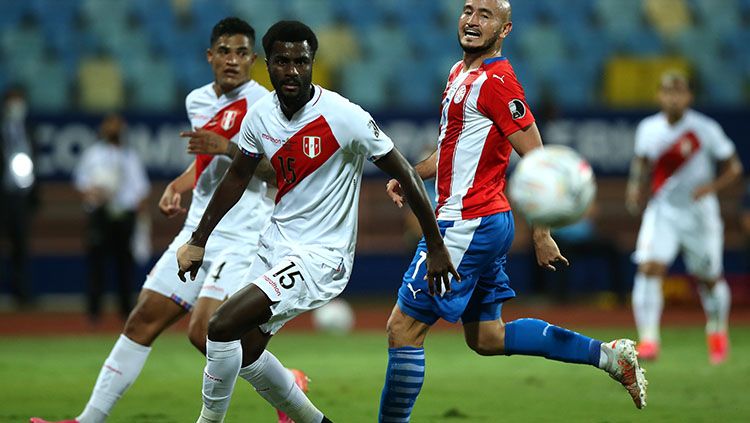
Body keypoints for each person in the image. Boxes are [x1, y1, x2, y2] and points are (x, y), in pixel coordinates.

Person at [175, 20, 457, 423]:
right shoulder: (260, 117)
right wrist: (198, 239)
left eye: (301, 62)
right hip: (275, 245)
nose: (292, 71)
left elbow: (406, 173)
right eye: (282, 61)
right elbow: (237, 176)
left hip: (320, 258)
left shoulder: (344, 116)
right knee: (248, 351)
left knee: (220, 327)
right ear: (267, 66)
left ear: (312, 63)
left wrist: (435, 246)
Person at [379, 1, 648, 420]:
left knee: (403, 329)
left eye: (486, 15)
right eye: (468, 10)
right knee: (486, 336)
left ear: (504, 30)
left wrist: (541, 232)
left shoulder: (498, 82)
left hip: (469, 222)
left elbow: (539, 163)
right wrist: (414, 174)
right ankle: (611, 357)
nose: (472, 20)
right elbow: (452, 148)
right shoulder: (459, 72)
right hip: (478, 220)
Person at [30, 17, 285, 423]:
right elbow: (207, 161)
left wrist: (227, 145)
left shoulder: (266, 105)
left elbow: (277, 172)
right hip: (198, 229)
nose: (232, 60)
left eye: (241, 53)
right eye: (224, 51)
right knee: (142, 318)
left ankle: (287, 388)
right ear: (210, 56)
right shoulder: (197, 100)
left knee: (204, 333)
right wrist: (180, 184)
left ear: (253, 59)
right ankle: (87, 420)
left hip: (244, 233)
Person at [626, 70, 743, 364]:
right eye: (667, 91)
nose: (673, 97)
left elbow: (734, 167)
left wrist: (712, 187)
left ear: (688, 97)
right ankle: (649, 339)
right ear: (659, 95)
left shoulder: (705, 128)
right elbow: (641, 162)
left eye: (679, 91)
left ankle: (717, 329)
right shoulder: (648, 128)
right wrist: (634, 188)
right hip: (662, 210)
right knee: (649, 268)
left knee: (709, 278)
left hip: (699, 214)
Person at [73, 114, 150, 323]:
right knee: (96, 265)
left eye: (118, 125)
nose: (114, 129)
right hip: (100, 214)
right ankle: (94, 313)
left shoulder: (130, 156)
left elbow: (142, 190)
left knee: (125, 265)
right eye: (110, 124)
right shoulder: (93, 155)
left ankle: (126, 312)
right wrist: (93, 193)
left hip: (124, 215)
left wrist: (141, 220)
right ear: (103, 128)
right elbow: (81, 183)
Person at [0, 86, 38, 307]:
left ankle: (21, 294)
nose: (17, 106)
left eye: (20, 101)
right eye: (13, 101)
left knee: (21, 246)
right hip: (2, 195)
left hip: (21, 197)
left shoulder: (29, 130)